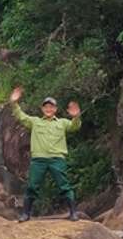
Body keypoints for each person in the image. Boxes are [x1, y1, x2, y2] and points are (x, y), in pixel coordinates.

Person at [9, 86, 81, 222]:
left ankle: (73, 213)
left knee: (64, 186)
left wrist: (76, 116)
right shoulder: (35, 122)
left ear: (55, 109)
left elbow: (75, 126)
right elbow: (21, 116)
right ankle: (25, 214)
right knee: (32, 186)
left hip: (57, 160)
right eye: (46, 107)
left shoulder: (62, 123)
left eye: (51, 107)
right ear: (42, 109)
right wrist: (14, 103)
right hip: (38, 161)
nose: (49, 109)